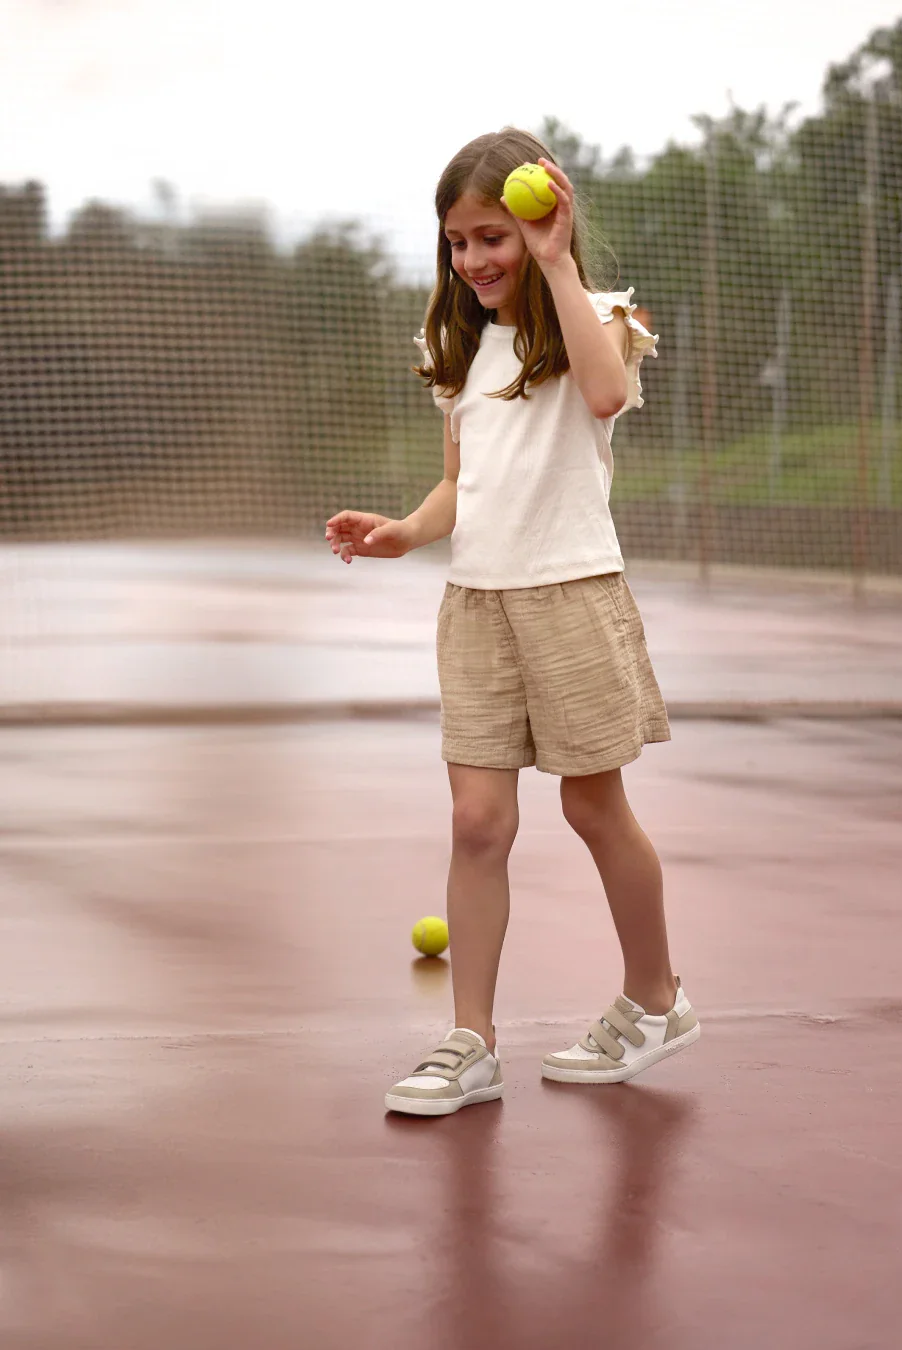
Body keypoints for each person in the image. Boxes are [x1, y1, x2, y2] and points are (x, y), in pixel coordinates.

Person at [325, 127, 699, 1117]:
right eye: (457, 241)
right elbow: (462, 482)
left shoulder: (604, 317)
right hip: (477, 606)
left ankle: (657, 1000)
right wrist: (406, 531)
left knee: (591, 808)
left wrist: (557, 262)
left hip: (573, 594)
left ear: (539, 219)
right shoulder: (455, 346)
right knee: (477, 821)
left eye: (492, 234)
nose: (476, 259)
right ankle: (471, 1043)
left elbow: (608, 392)